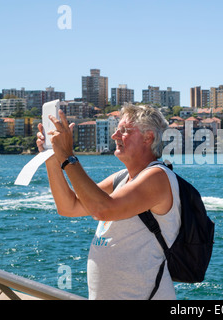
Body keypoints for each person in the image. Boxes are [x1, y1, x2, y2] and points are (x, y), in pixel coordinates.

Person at [36, 104, 181, 300]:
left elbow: (103, 210)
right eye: (115, 130)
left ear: (149, 137)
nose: (115, 136)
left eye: (124, 131)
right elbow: (68, 207)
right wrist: (52, 157)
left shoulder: (158, 176)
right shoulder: (121, 178)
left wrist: (68, 157)